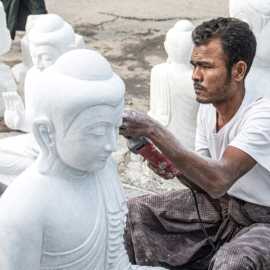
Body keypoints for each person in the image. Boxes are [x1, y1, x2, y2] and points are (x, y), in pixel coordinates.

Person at [120, 17, 270, 270]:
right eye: (194, 65)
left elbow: (219, 179)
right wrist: (171, 165)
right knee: (133, 212)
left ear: (238, 70)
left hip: (263, 220)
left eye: (206, 67)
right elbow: (205, 186)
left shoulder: (263, 115)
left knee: (233, 261)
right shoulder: (208, 109)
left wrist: (154, 129)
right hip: (221, 207)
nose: (195, 76)